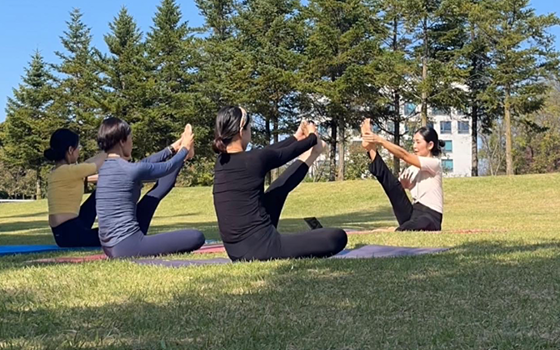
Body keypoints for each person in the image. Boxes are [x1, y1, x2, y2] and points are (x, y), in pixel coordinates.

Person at [212, 106, 348, 261]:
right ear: (241, 131)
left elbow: (270, 152)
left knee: (276, 191)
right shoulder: (254, 159)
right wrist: (311, 136)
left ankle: (315, 153)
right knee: (337, 236)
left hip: (236, 252)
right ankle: (315, 152)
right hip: (262, 248)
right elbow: (280, 154)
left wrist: (297, 137)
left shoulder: (222, 162)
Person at [95, 116, 205, 259]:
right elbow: (167, 167)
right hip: (127, 246)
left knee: (153, 195)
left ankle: (183, 157)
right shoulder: (129, 170)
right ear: (122, 141)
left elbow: (144, 164)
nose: (131, 143)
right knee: (196, 237)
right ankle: (185, 156)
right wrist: (185, 148)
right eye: (130, 139)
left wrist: (173, 148)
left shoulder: (106, 167)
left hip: (110, 246)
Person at [360, 118, 444, 231]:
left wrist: (381, 141)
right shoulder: (412, 170)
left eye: (418, 142)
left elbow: (405, 155)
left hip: (430, 217)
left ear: (430, 145)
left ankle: (397, 230)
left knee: (420, 223)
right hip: (413, 214)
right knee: (393, 186)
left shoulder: (434, 164)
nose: (414, 146)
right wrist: (401, 184)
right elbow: (393, 187)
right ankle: (371, 149)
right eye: (414, 142)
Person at [45, 128, 107, 248]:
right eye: (78, 147)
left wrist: (108, 151)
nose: (79, 151)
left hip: (67, 229)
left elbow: (89, 163)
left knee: (99, 192)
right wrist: (113, 148)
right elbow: (98, 163)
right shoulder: (70, 171)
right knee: (116, 235)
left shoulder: (58, 171)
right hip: (71, 235)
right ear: (70, 150)